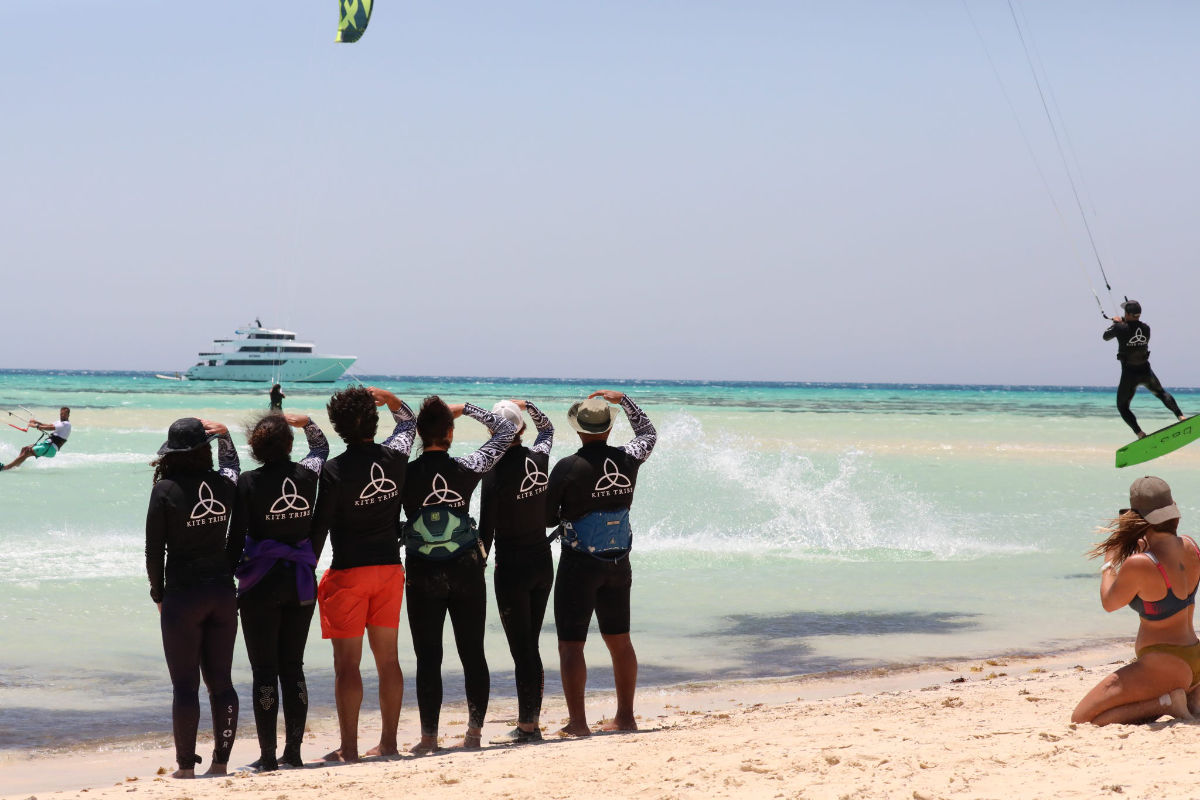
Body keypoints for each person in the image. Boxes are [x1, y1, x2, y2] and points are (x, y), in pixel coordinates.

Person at [401, 397, 515, 753]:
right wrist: (467, 408)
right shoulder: (469, 465)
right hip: (465, 568)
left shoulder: (401, 472)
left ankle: (428, 739)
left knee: (428, 657)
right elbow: (507, 430)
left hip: (422, 570)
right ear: (450, 433)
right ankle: (474, 734)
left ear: (419, 433)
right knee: (472, 652)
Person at [310, 386, 415, 763]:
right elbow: (408, 423)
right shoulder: (396, 456)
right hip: (389, 571)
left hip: (349, 573)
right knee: (389, 661)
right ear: (373, 421)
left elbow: (319, 530)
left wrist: (303, 572)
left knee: (347, 665)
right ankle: (388, 744)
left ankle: (350, 748)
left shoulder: (334, 470)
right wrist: (390, 399)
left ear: (337, 427)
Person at [544, 390, 656, 737]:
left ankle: (578, 723)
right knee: (620, 640)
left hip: (580, 563)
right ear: (609, 428)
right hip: (618, 561)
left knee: (571, 644)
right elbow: (648, 435)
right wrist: (624, 400)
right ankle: (626, 717)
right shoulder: (628, 458)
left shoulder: (567, 468)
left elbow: (548, 519)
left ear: (578, 430)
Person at [227, 412, 329, 770]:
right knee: (293, 668)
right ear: (289, 446)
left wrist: (226, 576)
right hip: (301, 578)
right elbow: (321, 447)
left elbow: (236, 535)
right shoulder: (308, 475)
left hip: (260, 583)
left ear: (254, 448)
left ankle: (268, 757)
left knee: (265, 672)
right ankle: (295, 753)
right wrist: (308, 422)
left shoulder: (247, 483)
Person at [145, 417, 241, 778]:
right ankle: (220, 763)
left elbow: (154, 551)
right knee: (222, 682)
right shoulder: (223, 485)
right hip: (221, 593)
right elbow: (232, 467)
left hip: (182, 597)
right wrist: (226, 437)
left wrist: (158, 593)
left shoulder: (165, 490)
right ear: (204, 449)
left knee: (184, 685)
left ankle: (185, 767)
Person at [1073, 476, 1200, 725]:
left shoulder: (1140, 564)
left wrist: (1110, 562)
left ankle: (1167, 703)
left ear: (1137, 518)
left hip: (1164, 663)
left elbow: (1109, 602)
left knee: (1083, 718)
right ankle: (1191, 694)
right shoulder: (1191, 545)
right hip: (1194, 654)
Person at [479, 399, 554, 744]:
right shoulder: (540, 457)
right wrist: (531, 406)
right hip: (542, 564)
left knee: (523, 650)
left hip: (512, 570)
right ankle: (529, 722)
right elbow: (549, 429)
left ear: (492, 431)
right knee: (530, 647)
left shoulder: (492, 472)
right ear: (521, 428)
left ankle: (529, 726)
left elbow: (485, 533)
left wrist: (475, 567)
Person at [1103, 300, 1186, 438]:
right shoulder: (1146, 329)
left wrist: (1116, 322)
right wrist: (1123, 321)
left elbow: (1105, 337)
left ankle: (1140, 433)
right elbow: (1133, 328)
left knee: (1122, 407)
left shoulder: (1120, 328)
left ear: (1128, 314)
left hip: (1130, 374)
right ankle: (1180, 416)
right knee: (1161, 393)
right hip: (1146, 371)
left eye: (1125, 313)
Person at [1, 407, 71, 472]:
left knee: (27, 452)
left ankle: (6, 468)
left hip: (51, 448)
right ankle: (15, 466)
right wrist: (36, 422)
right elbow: (47, 425)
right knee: (24, 449)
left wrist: (35, 426)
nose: (62, 415)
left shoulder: (66, 424)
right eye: (61, 414)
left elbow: (48, 428)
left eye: (65, 414)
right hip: (47, 445)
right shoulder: (59, 422)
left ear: (68, 415)